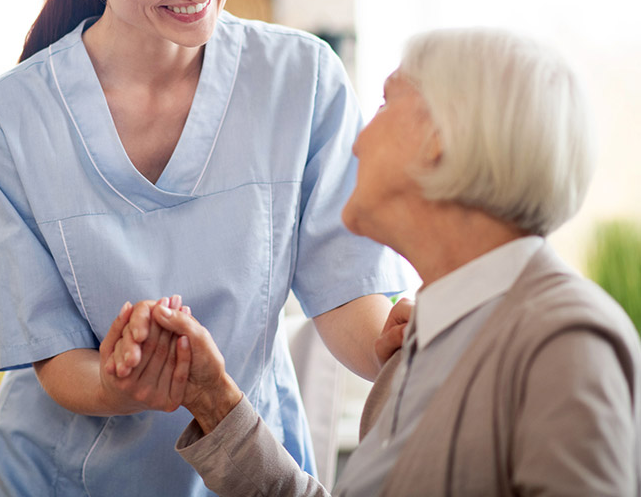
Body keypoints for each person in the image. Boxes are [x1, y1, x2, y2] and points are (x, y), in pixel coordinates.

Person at [0, 0, 410, 496]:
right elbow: (52, 361)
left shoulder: (301, 80)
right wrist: (124, 384)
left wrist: (396, 345)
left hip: (244, 477)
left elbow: (347, 293)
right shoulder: (11, 120)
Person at [113, 27, 641, 496]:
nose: (359, 142)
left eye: (386, 106)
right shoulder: (421, 346)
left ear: (440, 137)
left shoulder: (565, 341)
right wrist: (211, 397)